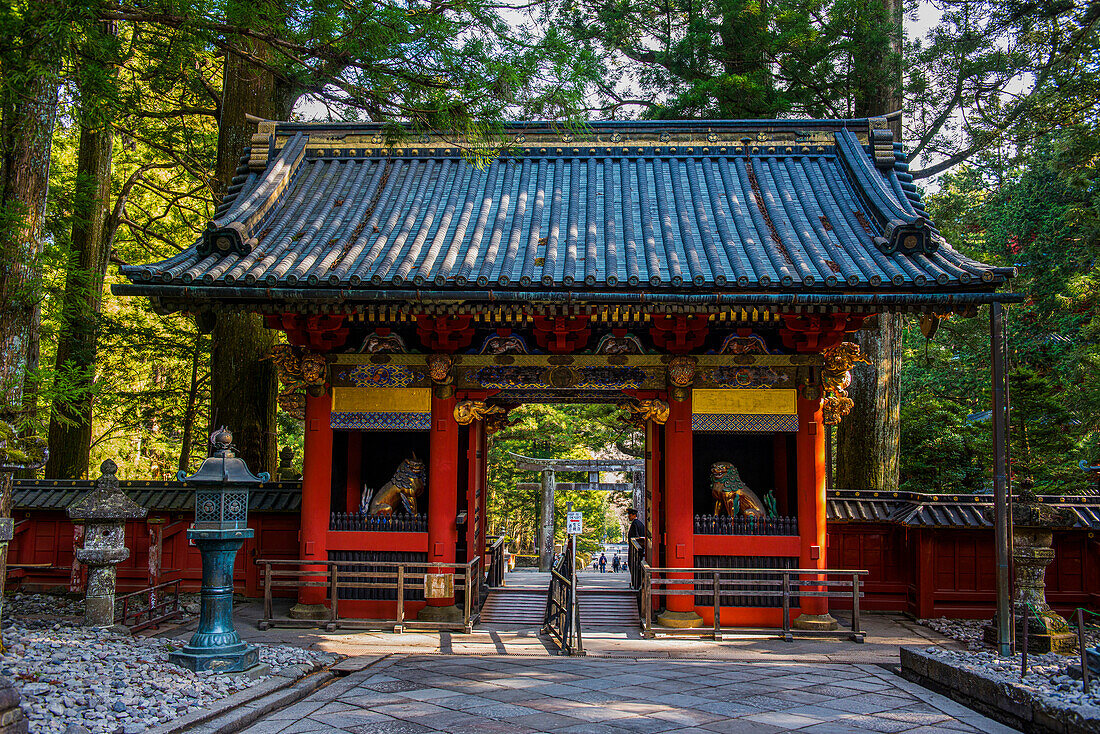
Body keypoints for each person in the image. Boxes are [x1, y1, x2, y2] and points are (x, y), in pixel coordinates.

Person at [626, 508, 645, 588]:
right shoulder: (639, 523)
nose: (628, 517)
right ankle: (636, 583)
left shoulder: (635, 524)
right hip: (639, 549)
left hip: (635, 549)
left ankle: (636, 584)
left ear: (634, 515)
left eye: (630, 515)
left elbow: (637, 536)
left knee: (633, 565)